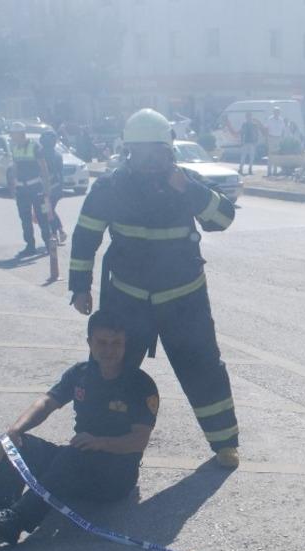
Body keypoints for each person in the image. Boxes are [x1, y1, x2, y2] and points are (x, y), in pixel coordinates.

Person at [68, 108, 242, 469]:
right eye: (140, 152)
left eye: (156, 152)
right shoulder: (110, 187)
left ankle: (224, 444)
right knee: (108, 368)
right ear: (127, 152)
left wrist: (190, 190)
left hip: (184, 300)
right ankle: (90, 438)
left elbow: (223, 219)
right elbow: (86, 235)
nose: (149, 161)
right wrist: (80, 288)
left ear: (170, 151)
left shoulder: (187, 183)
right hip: (128, 301)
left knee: (204, 369)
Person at [0, 309, 159, 545]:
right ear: (89, 342)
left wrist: (100, 441)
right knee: (22, 445)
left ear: (125, 345)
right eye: (102, 342)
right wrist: (15, 431)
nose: (109, 350)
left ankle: (15, 521)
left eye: (116, 343)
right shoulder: (81, 374)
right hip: (80, 456)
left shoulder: (140, 384)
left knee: (73, 455)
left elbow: (139, 440)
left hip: (115, 476)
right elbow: (47, 402)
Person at [7, 121, 54, 256]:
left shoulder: (35, 147)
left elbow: (43, 167)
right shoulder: (15, 148)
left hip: (36, 187)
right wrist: (13, 185)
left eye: (13, 134)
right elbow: (15, 166)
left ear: (21, 134)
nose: (12, 137)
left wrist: (47, 188)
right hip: (22, 189)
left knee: (42, 217)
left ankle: (48, 243)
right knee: (25, 218)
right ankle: (30, 245)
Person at [39, 130, 67, 244]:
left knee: (47, 211)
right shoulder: (57, 154)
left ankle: (56, 233)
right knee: (50, 210)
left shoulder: (42, 154)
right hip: (57, 188)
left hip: (47, 188)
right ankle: (58, 232)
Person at [264, 106, 286, 177]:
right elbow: (266, 129)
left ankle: (275, 172)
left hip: (278, 138)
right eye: (275, 111)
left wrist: (282, 139)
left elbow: (283, 130)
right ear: (273, 112)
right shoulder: (270, 119)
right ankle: (269, 172)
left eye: (278, 112)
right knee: (270, 156)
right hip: (271, 138)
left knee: (276, 156)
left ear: (279, 113)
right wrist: (267, 139)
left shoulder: (281, 120)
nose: (277, 113)